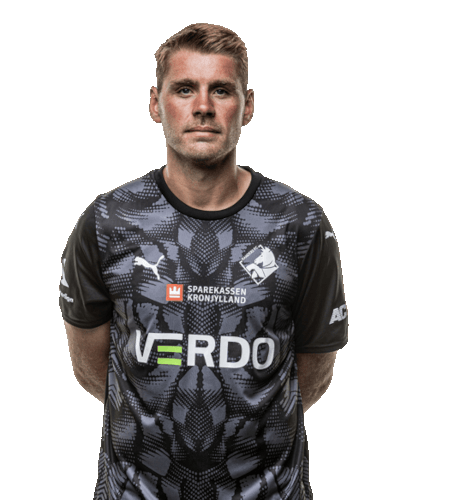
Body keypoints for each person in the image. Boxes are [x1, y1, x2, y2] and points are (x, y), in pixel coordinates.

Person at [59, 23, 348, 500]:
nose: (203, 107)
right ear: (156, 103)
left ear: (247, 106)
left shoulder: (299, 224)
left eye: (221, 90)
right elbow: (93, 370)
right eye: (184, 89)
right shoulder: (108, 221)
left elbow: (312, 374)